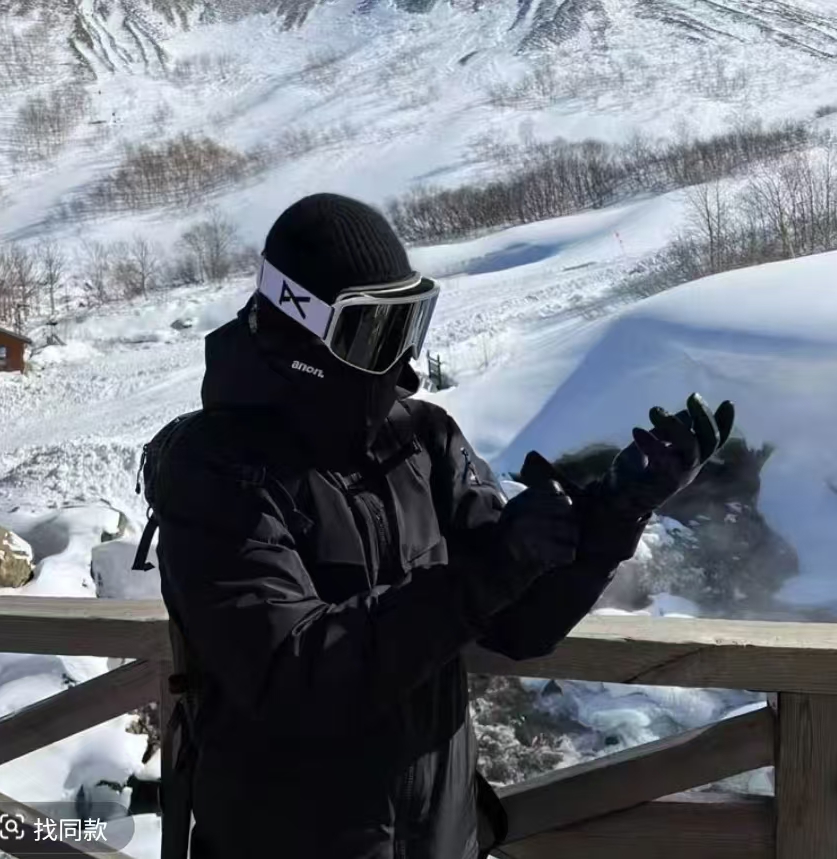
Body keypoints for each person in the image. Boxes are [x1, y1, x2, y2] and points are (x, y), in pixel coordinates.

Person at [147, 193, 734, 859]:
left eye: (409, 325)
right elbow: (293, 676)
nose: (401, 361)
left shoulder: (422, 442)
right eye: (375, 332)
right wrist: (487, 570)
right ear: (301, 331)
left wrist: (611, 512)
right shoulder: (218, 471)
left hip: (437, 837)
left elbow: (519, 623)